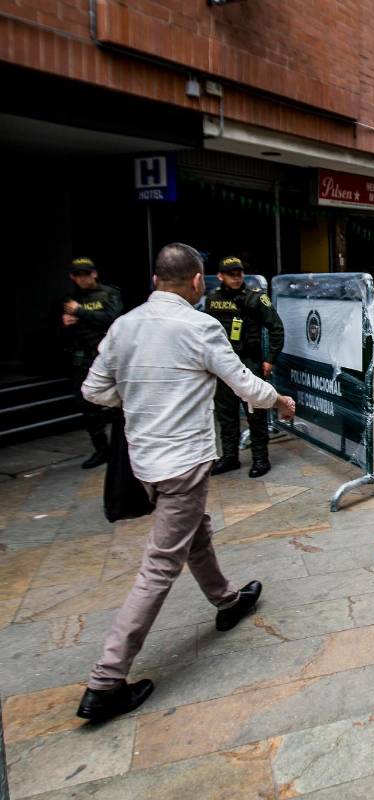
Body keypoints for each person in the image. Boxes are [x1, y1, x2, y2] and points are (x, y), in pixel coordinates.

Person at [75, 243, 296, 722]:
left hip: (145, 461)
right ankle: (106, 680)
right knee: (159, 567)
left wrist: (138, 399)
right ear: (199, 282)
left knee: (196, 531)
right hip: (183, 461)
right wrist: (279, 401)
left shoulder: (123, 326)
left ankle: (227, 600)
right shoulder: (199, 326)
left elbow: (94, 389)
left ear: (156, 281)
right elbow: (244, 385)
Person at [205, 256, 285, 478]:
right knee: (226, 413)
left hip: (249, 361)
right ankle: (229, 457)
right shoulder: (213, 299)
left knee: (255, 411)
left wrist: (270, 359)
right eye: (231, 274)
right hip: (222, 363)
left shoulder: (255, 298)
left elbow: (276, 328)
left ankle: (260, 458)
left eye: (239, 273)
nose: (237, 277)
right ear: (220, 276)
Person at [61, 257, 123, 469]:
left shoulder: (109, 294)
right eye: (78, 275)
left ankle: (120, 447)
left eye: (86, 273)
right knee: (87, 407)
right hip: (81, 357)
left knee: (118, 405)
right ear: (72, 277)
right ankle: (101, 450)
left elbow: (113, 318)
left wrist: (80, 312)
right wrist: (66, 322)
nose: (83, 278)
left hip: (106, 356)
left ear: (94, 273)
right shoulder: (70, 298)